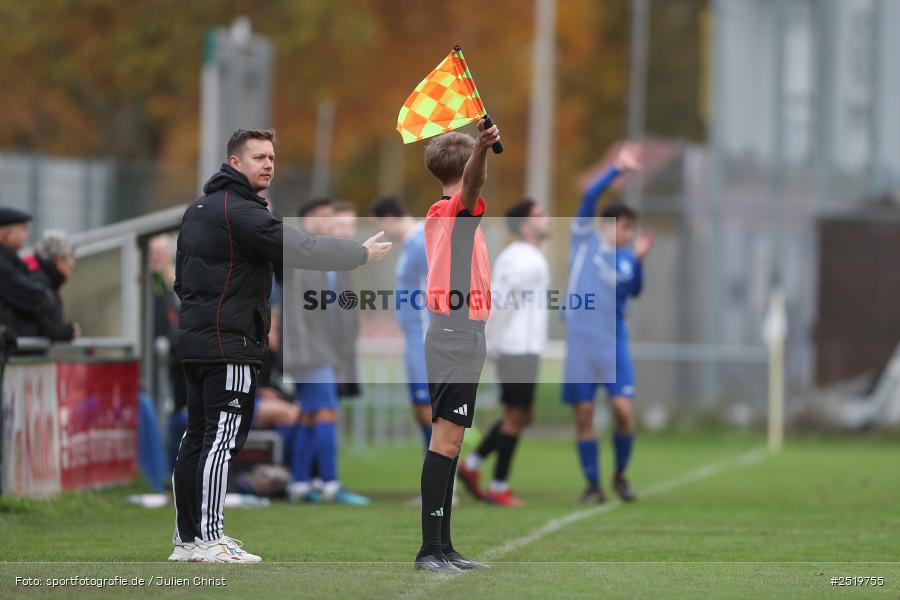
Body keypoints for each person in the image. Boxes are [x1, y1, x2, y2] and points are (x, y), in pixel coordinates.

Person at [170, 129, 391, 564]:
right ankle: (210, 539)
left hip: (198, 340)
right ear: (235, 163)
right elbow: (301, 247)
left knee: (196, 437)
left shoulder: (199, 209)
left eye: (271, 157)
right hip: (228, 344)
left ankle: (188, 540)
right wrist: (358, 253)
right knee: (219, 439)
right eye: (258, 157)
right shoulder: (241, 211)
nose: (268, 164)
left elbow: (182, 280)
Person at [414, 119, 500, 573]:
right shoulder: (453, 211)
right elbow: (473, 185)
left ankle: (444, 547)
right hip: (455, 335)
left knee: (452, 443)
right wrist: (482, 147)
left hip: (464, 335)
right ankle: (430, 551)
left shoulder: (454, 215)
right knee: (444, 443)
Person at [562, 142, 653, 504]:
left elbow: (635, 292)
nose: (629, 235)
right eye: (625, 228)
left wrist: (640, 261)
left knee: (623, 412)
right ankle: (592, 485)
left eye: (632, 229)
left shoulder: (627, 259)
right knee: (584, 415)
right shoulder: (583, 239)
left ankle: (620, 475)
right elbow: (590, 195)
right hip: (581, 342)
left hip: (613, 342)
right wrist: (619, 168)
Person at [458, 199, 551, 506]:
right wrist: (492, 343)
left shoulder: (528, 255)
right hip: (516, 347)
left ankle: (472, 466)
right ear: (525, 225)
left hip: (525, 347)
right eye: (539, 215)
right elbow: (501, 303)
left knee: (523, 415)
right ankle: (498, 485)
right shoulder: (522, 258)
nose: (547, 219)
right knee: (515, 416)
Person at [281, 198, 370, 506]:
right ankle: (331, 483)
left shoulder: (328, 258)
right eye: (323, 216)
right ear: (306, 221)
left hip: (323, 350)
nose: (330, 221)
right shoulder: (300, 257)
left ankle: (299, 483)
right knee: (327, 411)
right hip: (310, 351)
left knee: (309, 414)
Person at [369, 196, 433, 452]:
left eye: (379, 225)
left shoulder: (422, 242)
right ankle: (440, 473)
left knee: (429, 409)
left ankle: (443, 475)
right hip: (414, 340)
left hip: (426, 340)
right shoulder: (410, 245)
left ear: (389, 218)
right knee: (422, 410)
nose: (380, 231)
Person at [0, 207, 51, 341]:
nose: (26, 235)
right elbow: (38, 298)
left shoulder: (13, 262)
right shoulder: (4, 266)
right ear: (6, 233)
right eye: (23, 229)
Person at [30, 231, 80, 341]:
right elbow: (42, 327)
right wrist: (69, 331)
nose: (73, 263)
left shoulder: (45, 281)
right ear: (58, 260)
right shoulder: (40, 284)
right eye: (70, 256)